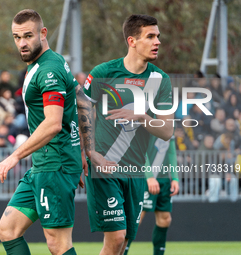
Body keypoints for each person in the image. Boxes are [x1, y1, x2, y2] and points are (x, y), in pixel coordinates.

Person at [0, 9, 83, 255]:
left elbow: (53, 123)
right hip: (43, 164)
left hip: (55, 164)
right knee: (7, 230)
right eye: (16, 37)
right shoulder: (49, 62)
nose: (22, 43)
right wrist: (83, 153)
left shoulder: (48, 69)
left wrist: (14, 156)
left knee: (58, 243)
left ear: (43, 33)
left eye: (28, 36)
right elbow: (81, 102)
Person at [83, 14, 174, 255]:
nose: (157, 42)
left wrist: (142, 117)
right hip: (105, 168)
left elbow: (166, 131)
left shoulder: (160, 80)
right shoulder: (103, 72)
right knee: (115, 239)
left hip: (135, 174)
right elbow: (79, 112)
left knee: (123, 245)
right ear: (132, 41)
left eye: (158, 36)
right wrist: (88, 153)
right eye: (150, 36)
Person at [124, 136, 179, 255]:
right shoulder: (147, 118)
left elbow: (171, 150)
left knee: (165, 219)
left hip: (163, 180)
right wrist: (149, 176)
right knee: (136, 219)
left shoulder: (170, 121)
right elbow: (140, 148)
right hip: (144, 178)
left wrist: (174, 177)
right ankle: (120, 252)